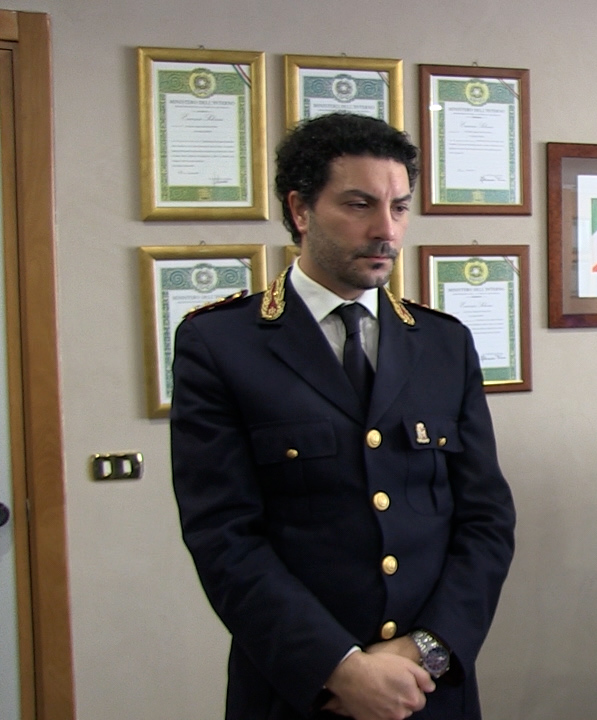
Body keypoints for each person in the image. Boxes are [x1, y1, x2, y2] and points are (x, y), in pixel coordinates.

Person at [170, 113, 516, 720]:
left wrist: (427, 650)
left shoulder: (443, 342)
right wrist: (339, 667)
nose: (386, 230)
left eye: (399, 208)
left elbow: (486, 519)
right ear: (300, 210)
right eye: (360, 205)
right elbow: (223, 535)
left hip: (429, 689)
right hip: (301, 691)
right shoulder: (222, 343)